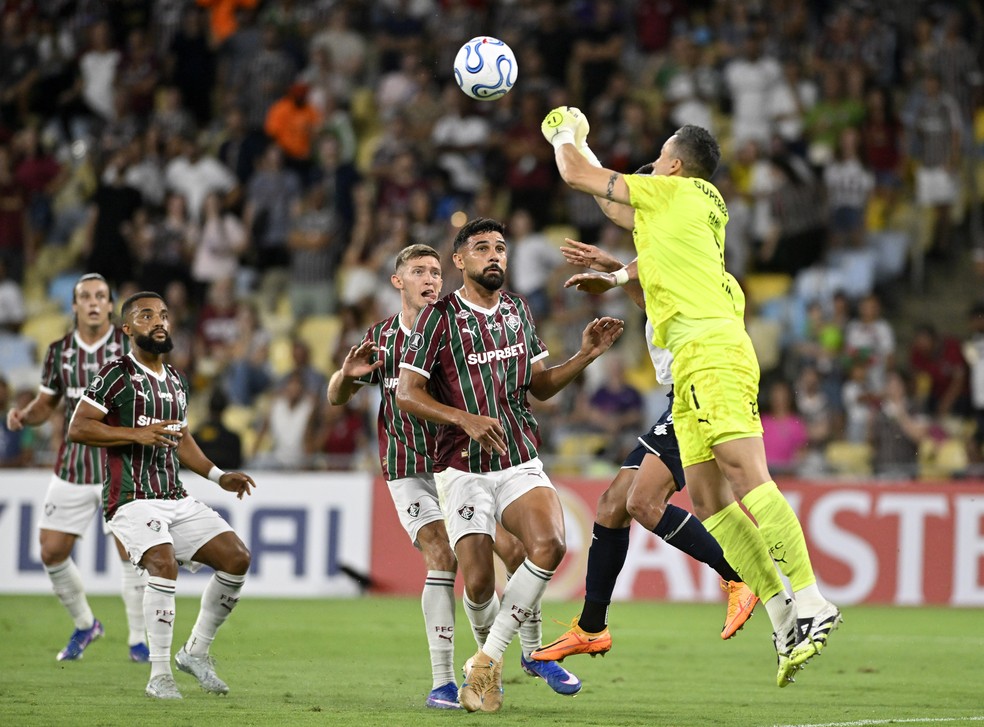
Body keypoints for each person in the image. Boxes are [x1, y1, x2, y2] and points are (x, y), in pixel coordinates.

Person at [544, 108, 840, 687]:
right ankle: (781, 616)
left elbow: (582, 177)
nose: (651, 166)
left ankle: (811, 601)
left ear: (674, 167)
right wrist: (619, 273)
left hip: (710, 353)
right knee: (707, 499)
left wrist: (567, 130)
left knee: (747, 477)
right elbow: (621, 217)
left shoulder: (678, 197)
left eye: (658, 158)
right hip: (692, 364)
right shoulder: (686, 220)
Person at [329, 243, 581, 709]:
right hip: (411, 468)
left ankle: (515, 654)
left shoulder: (451, 327)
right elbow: (336, 396)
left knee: (517, 550)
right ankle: (445, 679)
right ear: (397, 282)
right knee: (442, 556)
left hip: (460, 461)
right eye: (419, 272)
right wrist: (345, 377)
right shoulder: (382, 338)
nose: (431, 279)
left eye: (435, 272)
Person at [396, 218, 624, 712]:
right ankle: (497, 661)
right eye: (482, 248)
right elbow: (406, 392)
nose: (494, 255)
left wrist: (585, 355)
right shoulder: (439, 318)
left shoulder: (519, 310)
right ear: (459, 261)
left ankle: (492, 661)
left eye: (500, 247)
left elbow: (539, 386)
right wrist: (464, 418)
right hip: (460, 465)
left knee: (550, 544)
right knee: (477, 581)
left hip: (518, 458)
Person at [531, 240, 758, 666]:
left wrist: (614, 275)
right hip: (684, 396)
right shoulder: (684, 277)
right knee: (612, 505)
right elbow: (649, 292)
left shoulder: (691, 274)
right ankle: (592, 627)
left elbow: (648, 283)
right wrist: (613, 269)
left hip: (699, 392)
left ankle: (739, 577)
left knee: (642, 502)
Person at [68, 291, 255, 700]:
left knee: (236, 558)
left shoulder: (175, 379)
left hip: (175, 495)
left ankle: (196, 653)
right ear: (128, 328)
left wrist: (217, 475)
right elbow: (78, 427)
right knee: (162, 563)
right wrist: (133, 433)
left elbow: (180, 437)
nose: (159, 321)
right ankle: (158, 675)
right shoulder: (115, 373)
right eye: (147, 315)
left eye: (164, 315)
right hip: (130, 498)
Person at [5, 273, 149, 662]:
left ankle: (138, 639)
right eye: (84, 296)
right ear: (74, 305)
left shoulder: (129, 348)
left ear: (109, 305)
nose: (92, 302)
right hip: (71, 468)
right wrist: (24, 415)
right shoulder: (59, 351)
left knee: (130, 553)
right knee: (51, 551)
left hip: (117, 468)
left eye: (100, 296)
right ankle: (86, 624)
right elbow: (46, 403)